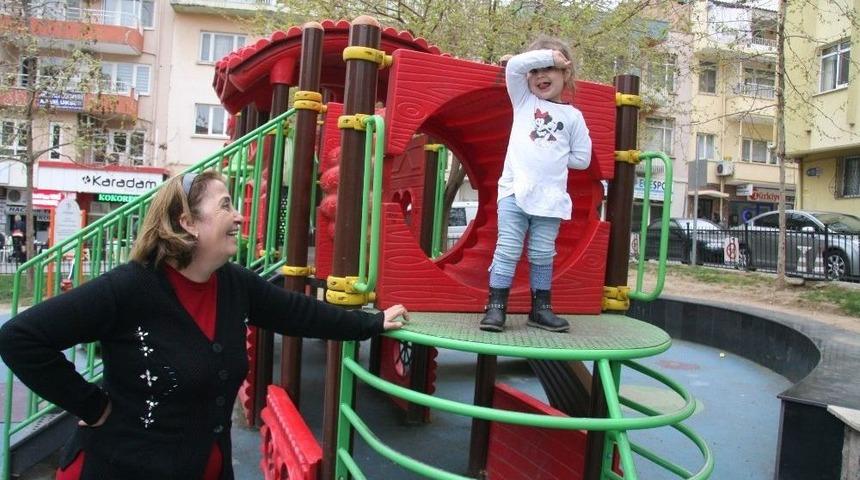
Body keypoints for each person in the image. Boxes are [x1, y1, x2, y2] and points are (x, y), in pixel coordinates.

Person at [0, 171, 409, 480]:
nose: (240, 216)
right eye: (226, 205)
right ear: (188, 222)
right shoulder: (130, 288)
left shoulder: (232, 284)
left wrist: (370, 323)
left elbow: (299, 313)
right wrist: (92, 405)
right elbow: (21, 338)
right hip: (123, 466)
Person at [479, 36, 592, 333]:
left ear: (566, 73)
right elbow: (514, 67)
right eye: (536, 70)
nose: (542, 75)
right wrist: (551, 57)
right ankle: (495, 307)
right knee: (508, 249)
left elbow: (582, 159)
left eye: (550, 68)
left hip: (550, 198)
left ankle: (541, 309)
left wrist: (554, 155)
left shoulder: (573, 116)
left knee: (542, 253)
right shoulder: (524, 101)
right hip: (514, 192)